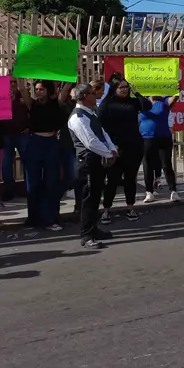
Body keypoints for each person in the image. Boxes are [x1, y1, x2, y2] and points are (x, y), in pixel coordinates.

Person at [68, 83, 117, 249]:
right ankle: (86, 235)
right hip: (87, 163)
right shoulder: (78, 117)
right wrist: (107, 153)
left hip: (97, 161)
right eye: (91, 93)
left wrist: (112, 149)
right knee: (88, 200)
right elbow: (90, 141)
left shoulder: (90, 113)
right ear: (84, 97)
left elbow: (102, 134)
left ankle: (94, 229)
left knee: (96, 197)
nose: (95, 95)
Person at [17, 78, 71, 231]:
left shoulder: (56, 104)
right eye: (37, 89)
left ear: (48, 90)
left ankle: (51, 219)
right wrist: (19, 72)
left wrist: (70, 75)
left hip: (51, 144)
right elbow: (22, 89)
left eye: (41, 89)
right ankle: (33, 218)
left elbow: (65, 90)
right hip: (34, 143)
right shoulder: (32, 104)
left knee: (51, 183)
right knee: (32, 184)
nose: (38, 92)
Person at [98, 74, 151, 223]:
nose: (125, 89)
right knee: (113, 180)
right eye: (121, 87)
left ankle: (130, 207)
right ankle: (106, 209)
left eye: (127, 87)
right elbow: (100, 125)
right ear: (114, 88)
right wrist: (108, 145)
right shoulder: (107, 104)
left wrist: (136, 92)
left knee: (130, 179)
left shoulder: (133, 103)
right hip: (115, 148)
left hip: (134, 147)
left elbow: (147, 106)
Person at [140, 95, 181, 204]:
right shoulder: (142, 101)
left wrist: (177, 93)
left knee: (166, 164)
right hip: (146, 138)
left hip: (163, 138)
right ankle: (149, 192)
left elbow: (172, 100)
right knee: (147, 165)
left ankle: (173, 191)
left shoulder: (164, 100)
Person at [1, 83, 30, 202]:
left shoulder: (23, 98)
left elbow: (32, 111)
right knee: (6, 164)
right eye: (9, 82)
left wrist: (29, 127)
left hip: (22, 134)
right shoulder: (0, 98)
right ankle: (9, 191)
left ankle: (29, 189)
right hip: (6, 135)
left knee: (27, 163)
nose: (11, 85)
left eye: (13, 83)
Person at [58, 85, 78, 206]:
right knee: (70, 167)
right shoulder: (64, 106)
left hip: (78, 141)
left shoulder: (81, 104)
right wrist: (68, 84)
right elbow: (61, 97)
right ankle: (70, 188)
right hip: (67, 140)